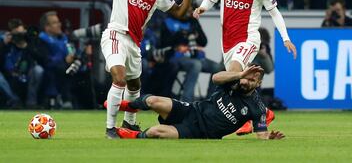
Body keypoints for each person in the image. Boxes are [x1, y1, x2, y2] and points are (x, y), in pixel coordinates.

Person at [84, 0, 201, 139]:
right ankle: (110, 128)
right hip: (115, 35)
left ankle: (129, 123)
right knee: (119, 78)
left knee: (135, 85)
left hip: (134, 44)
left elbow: (180, 14)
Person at [193, 0, 297, 136]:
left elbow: (275, 14)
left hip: (248, 40)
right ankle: (261, 112)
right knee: (238, 82)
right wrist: (202, 9)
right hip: (227, 42)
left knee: (233, 72)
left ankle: (250, 118)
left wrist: (285, 39)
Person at [112, 65, 285, 140]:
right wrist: (239, 74)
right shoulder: (233, 81)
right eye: (246, 77)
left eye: (252, 80)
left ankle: (133, 136)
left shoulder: (257, 108)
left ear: (259, 84)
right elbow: (216, 78)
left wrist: (268, 137)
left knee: (156, 132)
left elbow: (261, 133)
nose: (246, 82)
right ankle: (130, 106)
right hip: (192, 111)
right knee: (152, 100)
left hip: (200, 131)